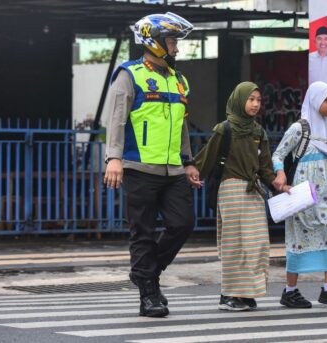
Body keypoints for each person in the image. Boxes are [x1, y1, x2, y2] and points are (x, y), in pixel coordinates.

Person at [104, 12, 201, 318]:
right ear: (154, 42)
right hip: (139, 167)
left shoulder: (179, 79)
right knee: (142, 231)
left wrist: (188, 161)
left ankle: (147, 272)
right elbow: (116, 120)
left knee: (183, 223)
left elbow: (182, 127)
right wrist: (114, 158)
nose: (176, 47)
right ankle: (149, 295)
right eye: (172, 41)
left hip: (173, 170)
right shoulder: (129, 74)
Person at [272, 81, 327, 309]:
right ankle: (290, 291)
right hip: (302, 199)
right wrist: (279, 173)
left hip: (326, 199)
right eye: (326, 100)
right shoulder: (300, 128)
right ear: (315, 100)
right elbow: (278, 154)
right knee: (298, 244)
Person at [195, 82, 276, 311]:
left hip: (253, 192)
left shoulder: (258, 132)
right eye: (251, 99)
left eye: (258, 100)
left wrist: (280, 184)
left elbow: (265, 168)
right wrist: (192, 173)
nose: (255, 104)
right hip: (231, 190)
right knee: (234, 244)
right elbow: (207, 157)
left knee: (257, 244)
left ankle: (247, 292)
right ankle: (229, 294)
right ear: (240, 100)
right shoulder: (225, 129)